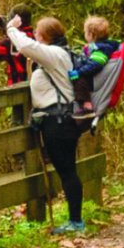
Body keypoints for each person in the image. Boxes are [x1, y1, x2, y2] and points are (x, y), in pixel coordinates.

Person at [6, 15, 84, 234]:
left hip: (58, 122)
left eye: (37, 33)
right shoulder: (60, 52)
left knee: (67, 171)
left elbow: (26, 46)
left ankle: (76, 222)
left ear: (43, 36)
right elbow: (27, 48)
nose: (35, 36)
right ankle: (76, 219)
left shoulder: (54, 54)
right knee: (68, 170)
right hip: (62, 119)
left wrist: (11, 28)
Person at [71, 15, 121, 116]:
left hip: (93, 78)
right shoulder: (97, 46)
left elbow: (95, 65)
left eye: (85, 32)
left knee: (79, 81)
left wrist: (79, 72)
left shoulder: (101, 49)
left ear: (91, 35)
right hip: (92, 76)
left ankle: (87, 106)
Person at [0, 5, 33, 85]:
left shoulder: (10, 44)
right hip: (35, 86)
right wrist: (6, 26)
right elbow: (18, 34)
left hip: (20, 88)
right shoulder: (35, 36)